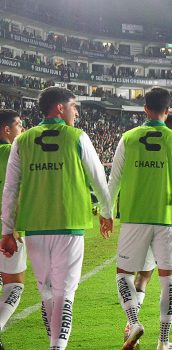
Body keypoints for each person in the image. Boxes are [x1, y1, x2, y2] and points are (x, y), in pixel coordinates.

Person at [0, 87, 112, 350]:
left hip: (35, 228)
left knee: (47, 292)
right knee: (65, 293)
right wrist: (106, 213)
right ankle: (57, 347)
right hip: (69, 224)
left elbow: (11, 189)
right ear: (60, 108)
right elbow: (98, 179)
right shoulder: (77, 137)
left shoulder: (21, 141)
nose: (76, 112)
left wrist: (7, 230)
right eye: (74, 106)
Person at [110, 88, 172, 350]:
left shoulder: (128, 138)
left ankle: (134, 321)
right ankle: (163, 341)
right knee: (168, 278)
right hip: (168, 219)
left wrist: (106, 211)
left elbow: (113, 179)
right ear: (167, 111)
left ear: (145, 108)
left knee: (124, 274)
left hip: (134, 217)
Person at [130, 114, 172, 337]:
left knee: (143, 275)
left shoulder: (143, 153)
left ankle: (132, 323)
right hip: (168, 226)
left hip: (142, 222)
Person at [0, 110, 24, 349]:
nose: (21, 129)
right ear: (6, 129)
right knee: (14, 284)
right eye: (18, 125)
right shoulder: (12, 153)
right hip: (6, 229)